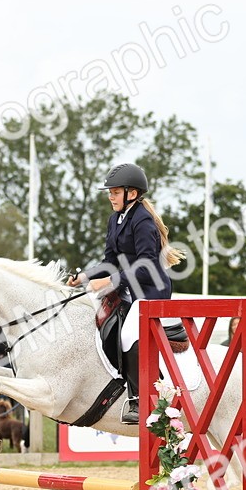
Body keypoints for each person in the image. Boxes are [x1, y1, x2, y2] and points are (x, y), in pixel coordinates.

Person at [65, 163, 182, 424]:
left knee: (129, 334)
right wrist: (83, 277)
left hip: (150, 292)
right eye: (110, 192)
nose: (110, 196)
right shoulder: (116, 219)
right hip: (129, 288)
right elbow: (110, 259)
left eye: (115, 192)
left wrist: (110, 280)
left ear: (132, 193)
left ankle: (141, 400)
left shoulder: (142, 220)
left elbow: (147, 265)